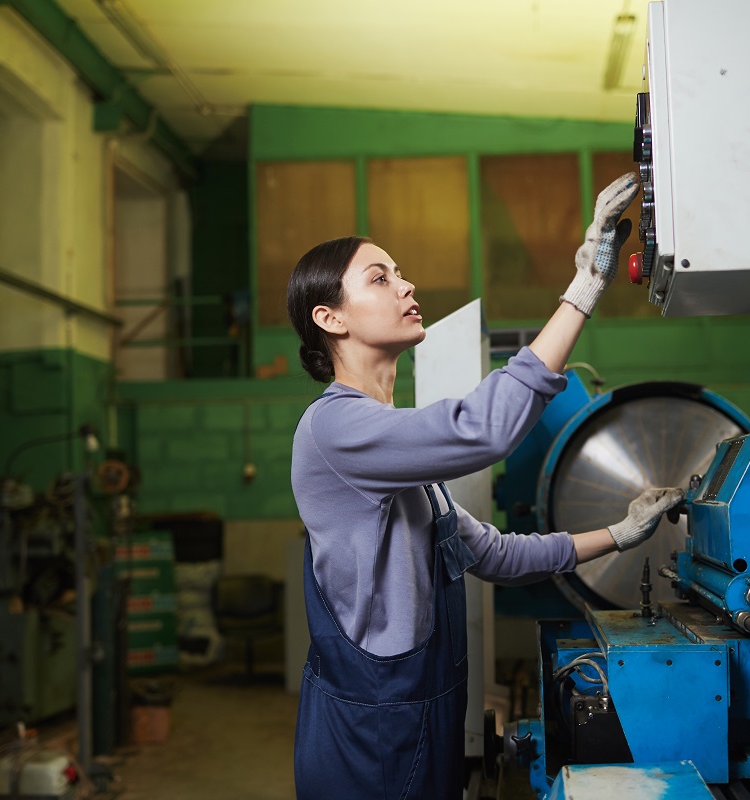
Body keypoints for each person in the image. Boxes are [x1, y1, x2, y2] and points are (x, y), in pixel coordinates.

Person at [286, 173, 683, 799]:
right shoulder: (335, 430)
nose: (406, 284)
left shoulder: (400, 457)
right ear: (329, 317)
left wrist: (622, 532)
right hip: (373, 733)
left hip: (424, 710)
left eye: (400, 272)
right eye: (379, 277)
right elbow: (484, 429)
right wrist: (583, 289)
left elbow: (494, 553)